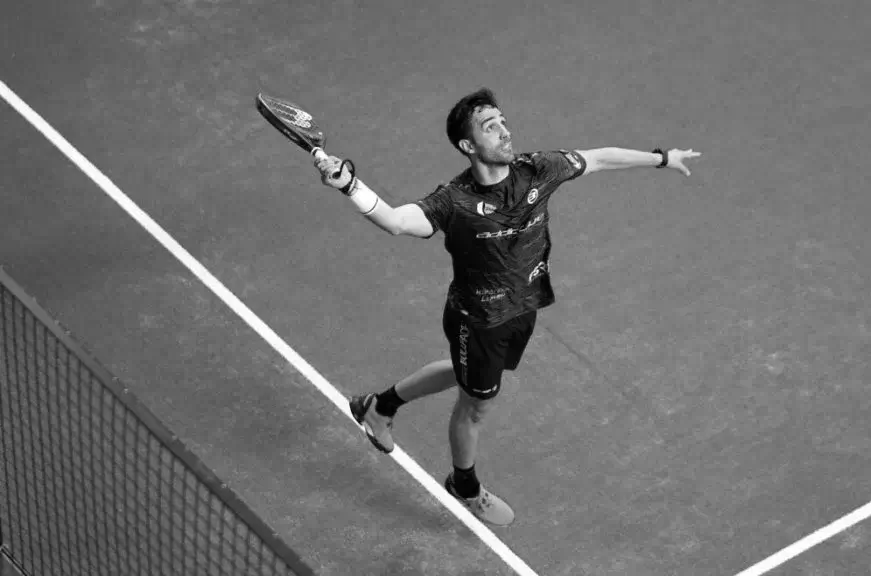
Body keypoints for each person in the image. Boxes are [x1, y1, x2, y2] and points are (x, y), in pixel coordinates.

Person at [313, 88, 701, 526]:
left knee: (471, 377)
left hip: (524, 307)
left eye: (502, 121)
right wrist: (349, 184)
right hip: (477, 321)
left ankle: (378, 407)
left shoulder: (538, 170)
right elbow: (397, 222)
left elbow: (600, 158)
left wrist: (663, 158)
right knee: (476, 404)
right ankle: (464, 485)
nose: (504, 131)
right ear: (467, 146)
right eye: (489, 127)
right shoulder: (454, 201)